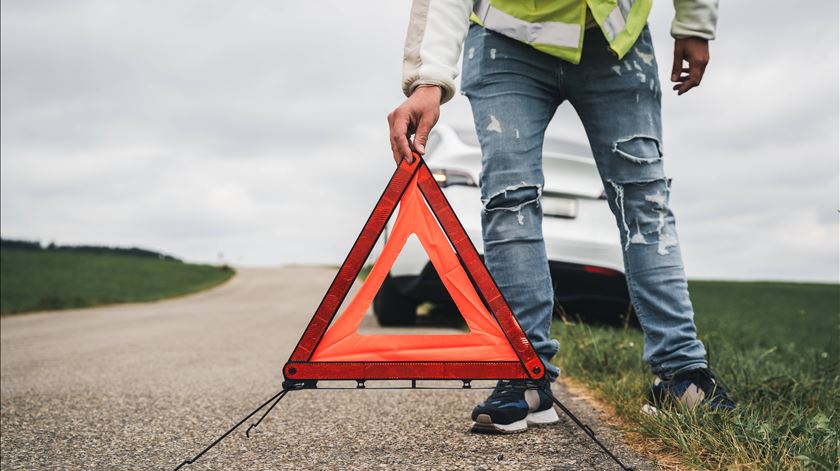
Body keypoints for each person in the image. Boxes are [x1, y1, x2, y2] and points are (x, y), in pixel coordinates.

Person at [387, 0, 735, 433]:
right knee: (508, 199)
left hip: (614, 39)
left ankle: (684, 375)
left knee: (645, 203)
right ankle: (527, 374)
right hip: (505, 38)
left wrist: (694, 23)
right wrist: (427, 81)